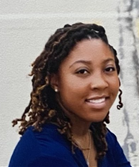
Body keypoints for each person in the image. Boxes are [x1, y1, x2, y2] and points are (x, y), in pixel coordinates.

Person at [9, 22, 132, 167]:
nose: (100, 83)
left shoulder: (100, 137)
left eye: (108, 69)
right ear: (55, 80)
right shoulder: (46, 156)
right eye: (82, 71)